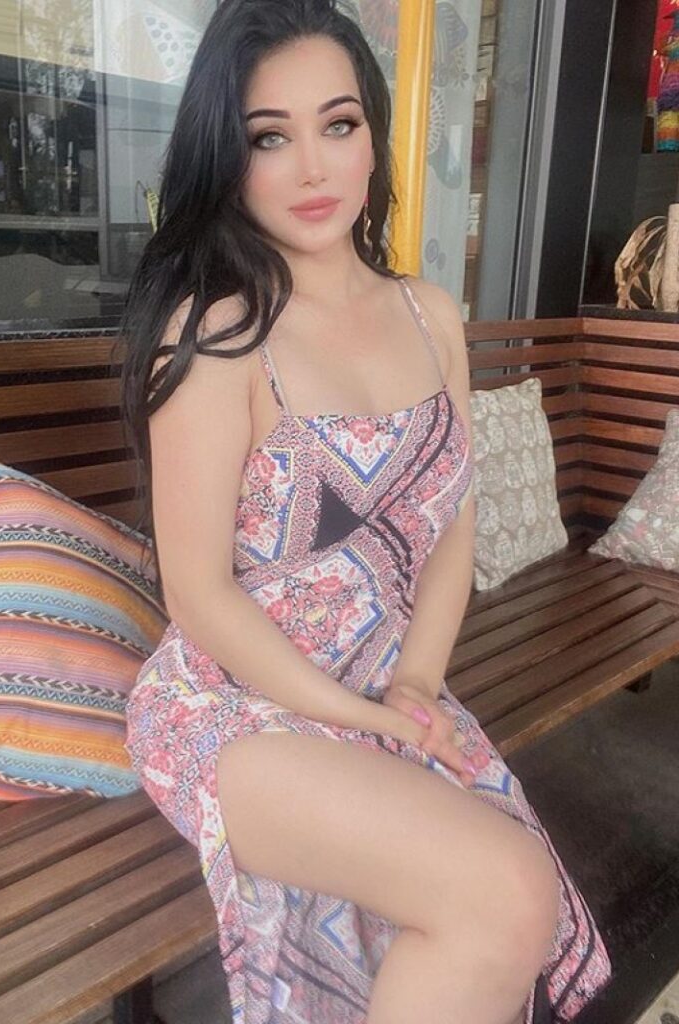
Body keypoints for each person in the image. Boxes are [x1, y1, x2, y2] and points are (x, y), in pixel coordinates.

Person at [120, 2, 612, 1022]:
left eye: (338, 125)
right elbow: (200, 596)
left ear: (374, 137)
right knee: (505, 892)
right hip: (232, 701)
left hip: (386, 676)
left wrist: (418, 683)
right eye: (270, 137)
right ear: (228, 157)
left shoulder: (431, 315)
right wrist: (362, 719)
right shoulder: (215, 334)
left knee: (504, 895)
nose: (313, 168)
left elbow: (453, 521)